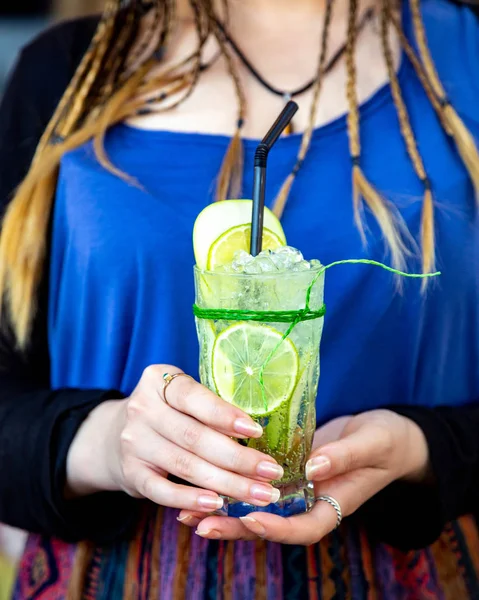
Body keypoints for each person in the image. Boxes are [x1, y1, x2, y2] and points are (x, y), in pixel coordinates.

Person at [1, 0, 479, 597]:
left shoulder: (463, 55)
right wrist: (105, 439)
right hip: (113, 575)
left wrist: (425, 449)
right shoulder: (68, 72)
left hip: (412, 573)